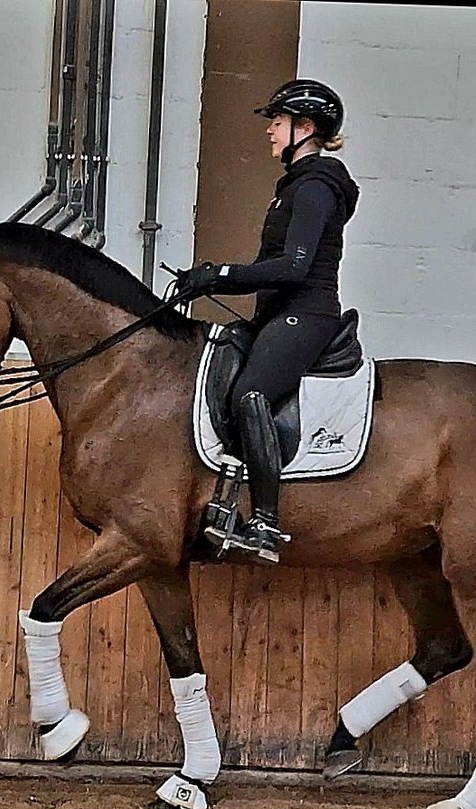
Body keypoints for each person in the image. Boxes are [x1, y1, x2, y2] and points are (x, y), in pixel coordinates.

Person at [176, 78, 361, 563]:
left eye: (277, 123)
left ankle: (265, 522)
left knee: (250, 393)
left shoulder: (318, 186)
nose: (270, 132)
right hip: (277, 314)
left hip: (307, 314)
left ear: (305, 127)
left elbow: (294, 267)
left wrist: (218, 275)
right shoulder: (294, 187)